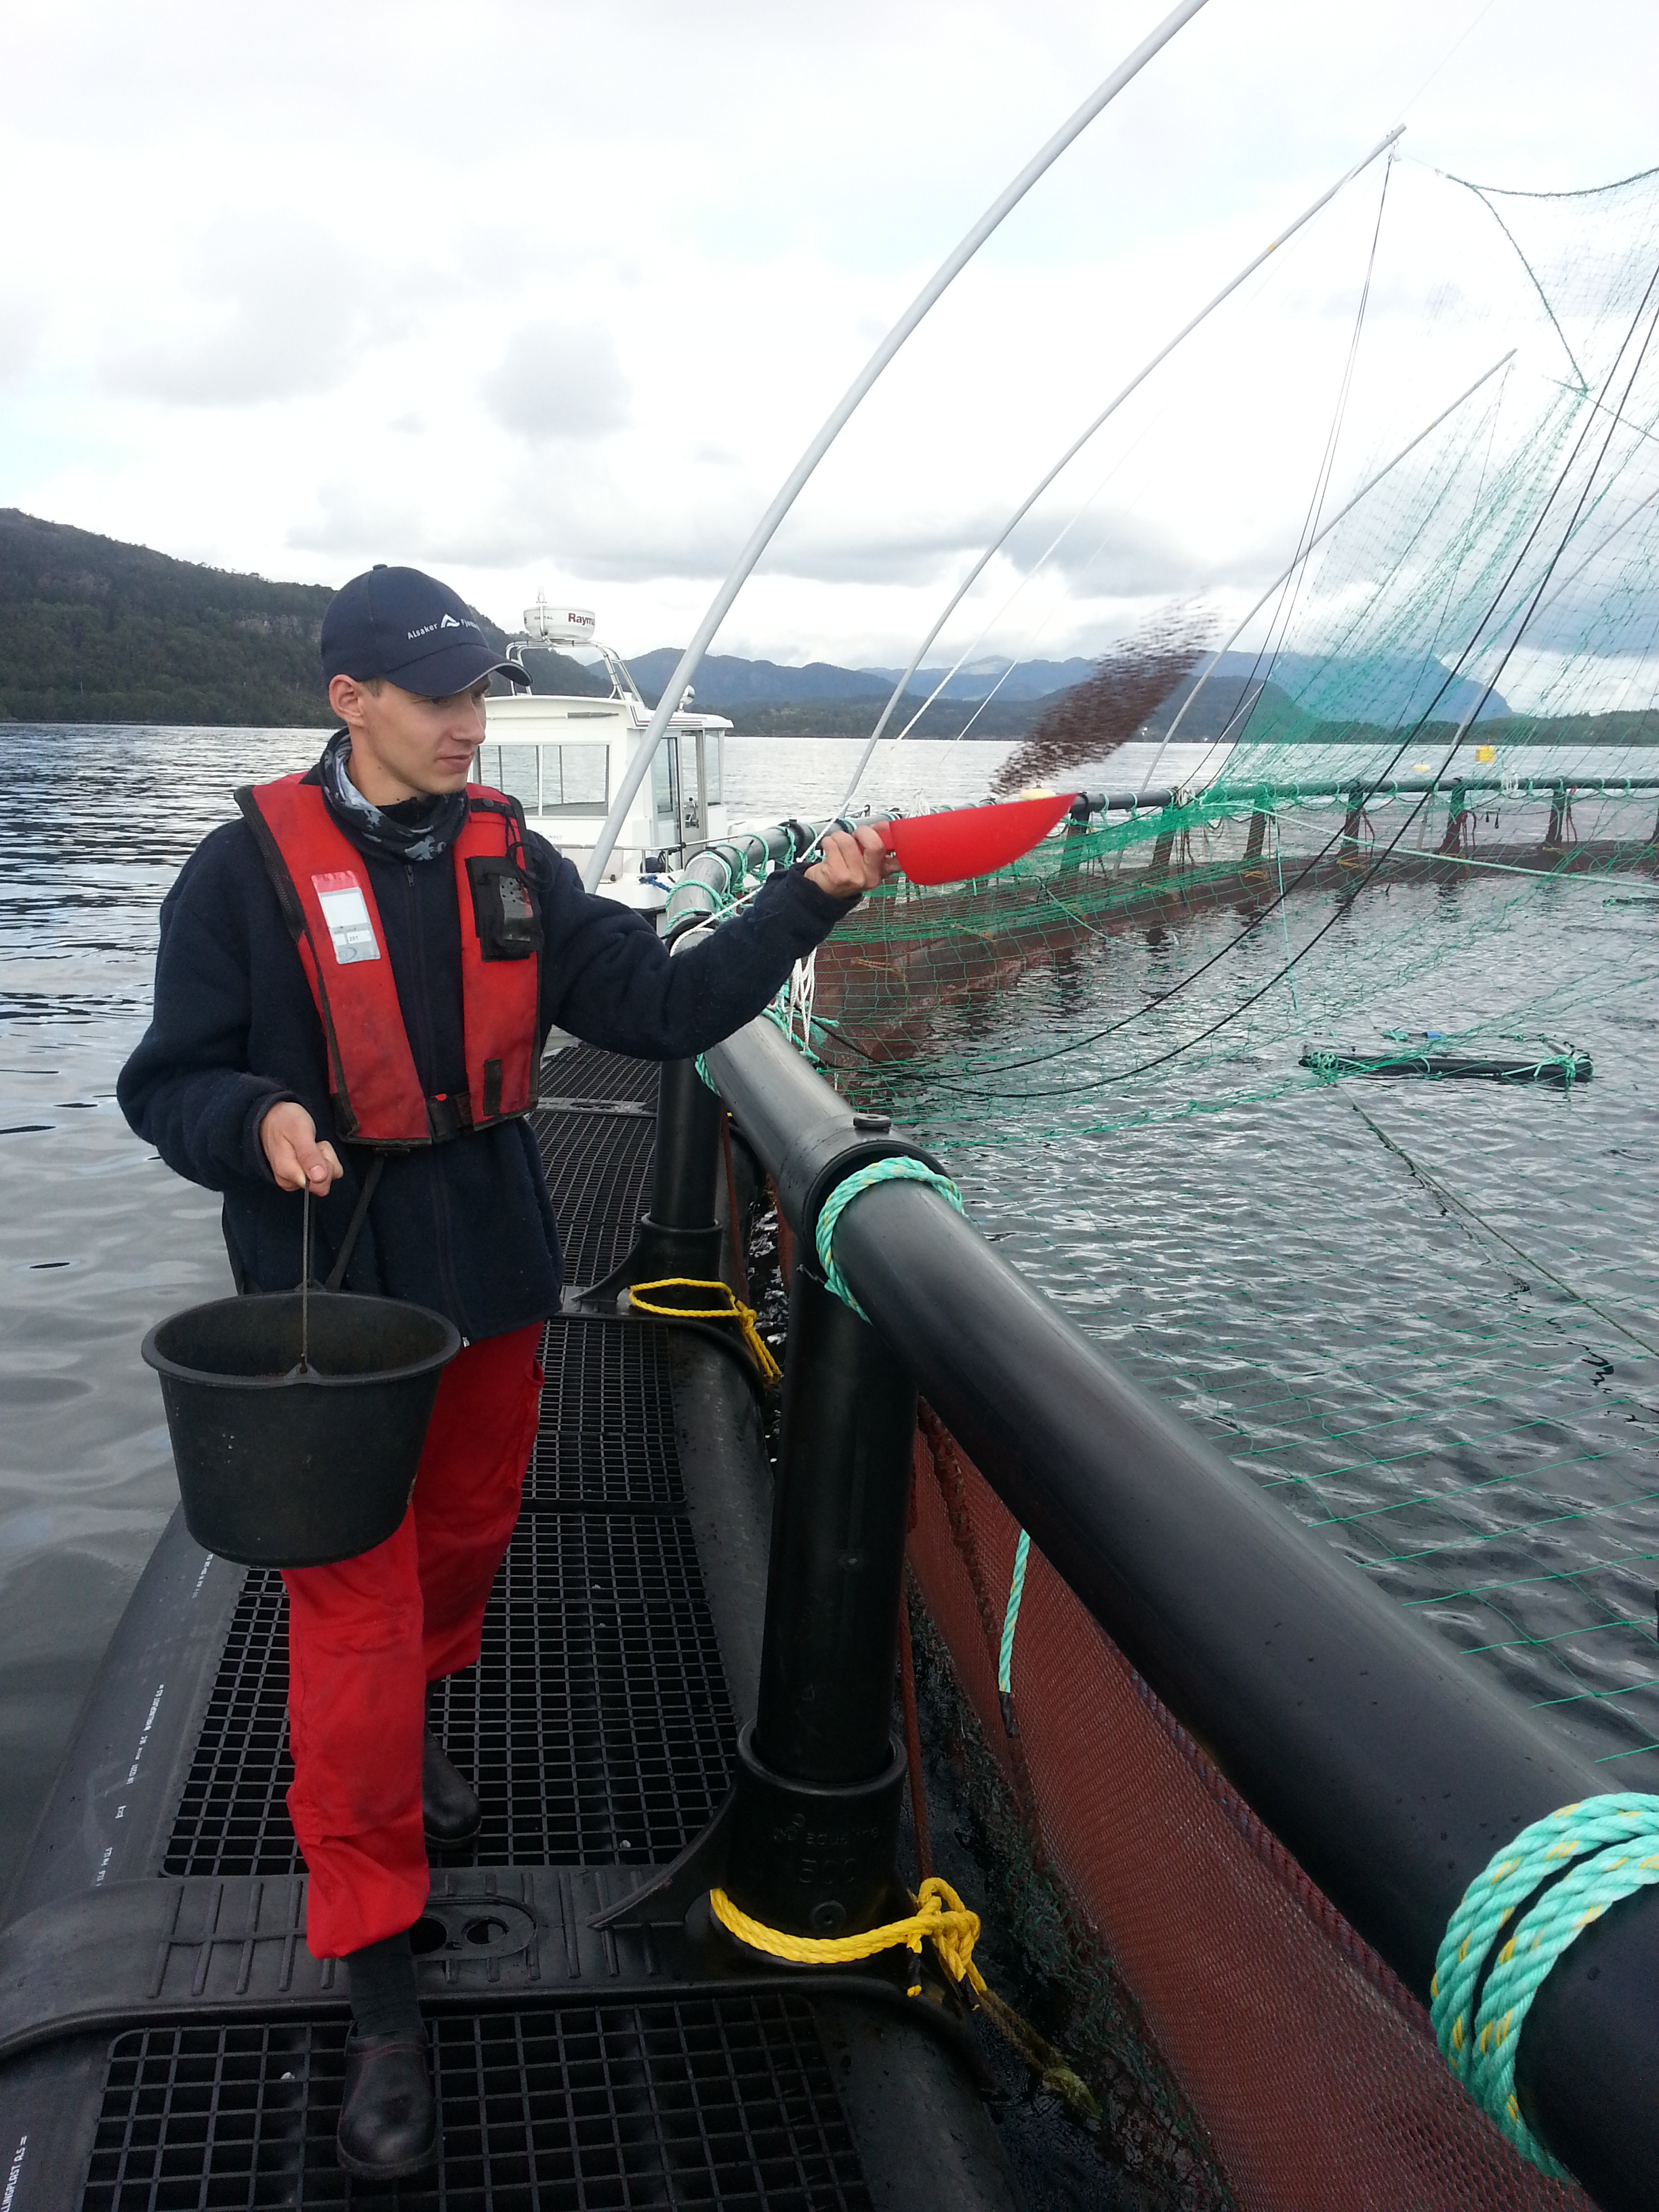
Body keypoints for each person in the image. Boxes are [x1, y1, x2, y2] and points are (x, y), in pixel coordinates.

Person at [119, 565, 888, 2180]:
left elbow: (669, 1005)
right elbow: (167, 1079)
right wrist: (253, 1122)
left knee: (467, 1544)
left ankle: (421, 1734)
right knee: (353, 1616)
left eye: (483, 690)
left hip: (497, 1266)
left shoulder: (511, 861)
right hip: (335, 1310)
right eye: (441, 694)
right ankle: (380, 1976)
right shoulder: (241, 874)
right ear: (351, 702)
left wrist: (806, 901)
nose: (475, 721)